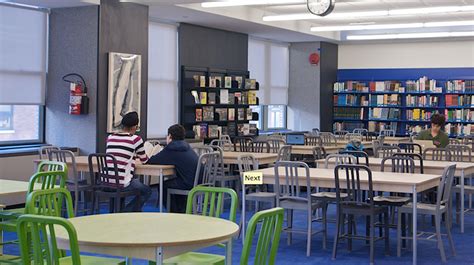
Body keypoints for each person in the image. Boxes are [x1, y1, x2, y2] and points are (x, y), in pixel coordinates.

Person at [106, 111, 152, 212]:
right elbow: (144, 160)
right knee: (147, 191)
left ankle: (121, 213)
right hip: (122, 183)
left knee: (128, 181)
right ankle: (126, 212)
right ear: (135, 127)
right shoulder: (135, 139)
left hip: (106, 181)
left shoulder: (110, 137)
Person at [148, 124, 198, 213]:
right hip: (198, 181)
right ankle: (181, 210)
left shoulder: (172, 147)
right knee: (174, 182)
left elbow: (153, 160)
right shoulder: (186, 146)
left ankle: (173, 212)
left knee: (163, 186)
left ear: (170, 136)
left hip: (188, 184)